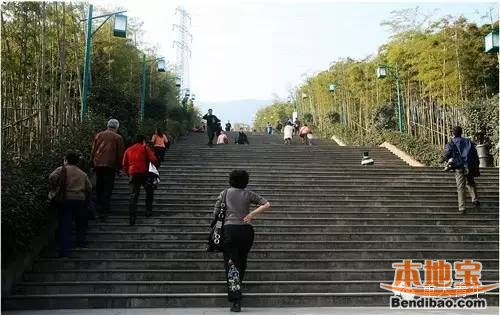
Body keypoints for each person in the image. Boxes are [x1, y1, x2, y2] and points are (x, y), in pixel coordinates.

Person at [214, 170, 271, 312]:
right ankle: (238, 286)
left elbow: (215, 213)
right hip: (246, 231)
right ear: (246, 180)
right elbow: (267, 204)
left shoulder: (225, 193)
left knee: (232, 264)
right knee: (242, 261)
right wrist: (251, 214)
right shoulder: (248, 193)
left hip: (229, 231)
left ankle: (236, 300)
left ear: (231, 180)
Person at [49, 151, 92, 257]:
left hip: (65, 200)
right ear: (77, 162)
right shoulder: (82, 173)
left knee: (65, 224)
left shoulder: (61, 169)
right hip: (80, 200)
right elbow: (89, 188)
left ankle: (64, 250)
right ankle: (81, 242)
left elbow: (51, 177)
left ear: (66, 160)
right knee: (80, 223)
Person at [90, 119, 124, 221]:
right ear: (117, 127)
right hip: (110, 165)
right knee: (108, 187)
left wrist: (91, 162)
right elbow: (120, 154)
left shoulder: (99, 135)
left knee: (99, 185)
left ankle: (98, 207)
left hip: (98, 164)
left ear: (107, 125)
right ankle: (104, 211)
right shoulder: (118, 137)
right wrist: (120, 168)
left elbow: (93, 149)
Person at [122, 135, 159, 225]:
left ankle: (132, 217)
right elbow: (153, 159)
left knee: (133, 195)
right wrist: (156, 165)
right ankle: (148, 211)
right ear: (143, 141)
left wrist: (128, 174)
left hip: (133, 174)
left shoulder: (128, 150)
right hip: (144, 173)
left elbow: (124, 164)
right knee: (149, 191)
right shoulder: (144, 148)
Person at [442, 126, 480, 213]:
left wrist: (444, 160)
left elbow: (447, 153)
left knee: (460, 187)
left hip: (458, 166)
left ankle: (462, 207)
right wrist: (476, 164)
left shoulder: (451, 143)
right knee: (471, 182)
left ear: (453, 133)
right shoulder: (467, 141)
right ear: (461, 132)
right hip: (468, 165)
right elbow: (474, 153)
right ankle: (475, 199)